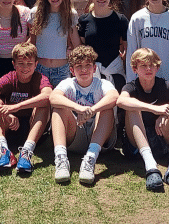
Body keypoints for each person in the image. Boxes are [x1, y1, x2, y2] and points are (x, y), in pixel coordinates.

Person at [117, 47, 169, 192]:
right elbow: (121, 101)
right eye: (143, 65)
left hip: (160, 139)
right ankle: (151, 167)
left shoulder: (163, 84)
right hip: (137, 143)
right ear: (135, 69)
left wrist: (165, 113)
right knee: (132, 107)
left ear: (157, 68)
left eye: (152, 65)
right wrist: (154, 109)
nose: (148, 69)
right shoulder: (131, 86)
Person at [50, 45, 119, 186]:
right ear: (72, 70)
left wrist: (91, 111)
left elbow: (114, 96)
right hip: (75, 135)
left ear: (94, 68)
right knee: (59, 108)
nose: (84, 70)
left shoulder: (102, 83)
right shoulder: (68, 83)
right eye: (79, 66)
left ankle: (90, 159)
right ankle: (61, 159)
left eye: (88, 65)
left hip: (99, 134)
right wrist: (79, 108)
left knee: (106, 109)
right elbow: (53, 97)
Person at [0, 41, 53, 174]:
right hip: (11, 124)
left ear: (36, 64)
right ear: (14, 64)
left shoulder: (40, 78)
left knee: (43, 105)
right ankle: (3, 150)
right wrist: (6, 113)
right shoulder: (10, 77)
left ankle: (27, 152)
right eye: (21, 63)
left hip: (33, 126)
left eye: (29, 64)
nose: (25, 67)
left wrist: (16, 107)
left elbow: (48, 95)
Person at [78, 0, 129, 90]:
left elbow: (127, 49)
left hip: (115, 73)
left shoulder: (121, 20)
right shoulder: (84, 20)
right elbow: (80, 47)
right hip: (90, 74)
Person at [30, 0, 81, 87]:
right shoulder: (36, 13)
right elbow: (32, 42)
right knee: (42, 103)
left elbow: (77, 45)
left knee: (60, 103)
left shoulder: (70, 14)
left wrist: (72, 53)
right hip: (40, 69)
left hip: (62, 70)